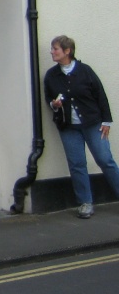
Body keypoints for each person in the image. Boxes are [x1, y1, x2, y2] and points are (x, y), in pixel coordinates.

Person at [44, 35, 119, 218]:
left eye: (55, 49)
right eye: (52, 49)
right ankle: (85, 202)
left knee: (105, 160)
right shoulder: (51, 75)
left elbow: (100, 95)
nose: (52, 52)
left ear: (67, 51)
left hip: (93, 124)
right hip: (68, 127)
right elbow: (49, 99)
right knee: (77, 164)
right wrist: (54, 104)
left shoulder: (85, 71)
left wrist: (106, 121)